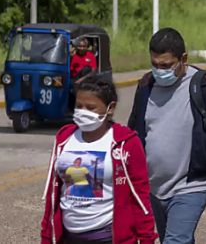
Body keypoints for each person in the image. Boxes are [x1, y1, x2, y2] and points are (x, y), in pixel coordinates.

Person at [127, 28, 206, 244]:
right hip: (153, 187)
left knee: (175, 241)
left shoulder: (204, 86)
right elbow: (133, 134)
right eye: (154, 64)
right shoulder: (146, 85)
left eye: (166, 65)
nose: (159, 70)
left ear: (184, 59)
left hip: (191, 185)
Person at [41, 80, 157, 244]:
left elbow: (140, 196)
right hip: (68, 237)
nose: (83, 112)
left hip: (106, 237)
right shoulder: (63, 138)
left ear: (110, 108)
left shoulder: (126, 142)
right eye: (79, 106)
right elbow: (52, 194)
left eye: (90, 107)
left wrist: (147, 238)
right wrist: (47, 236)